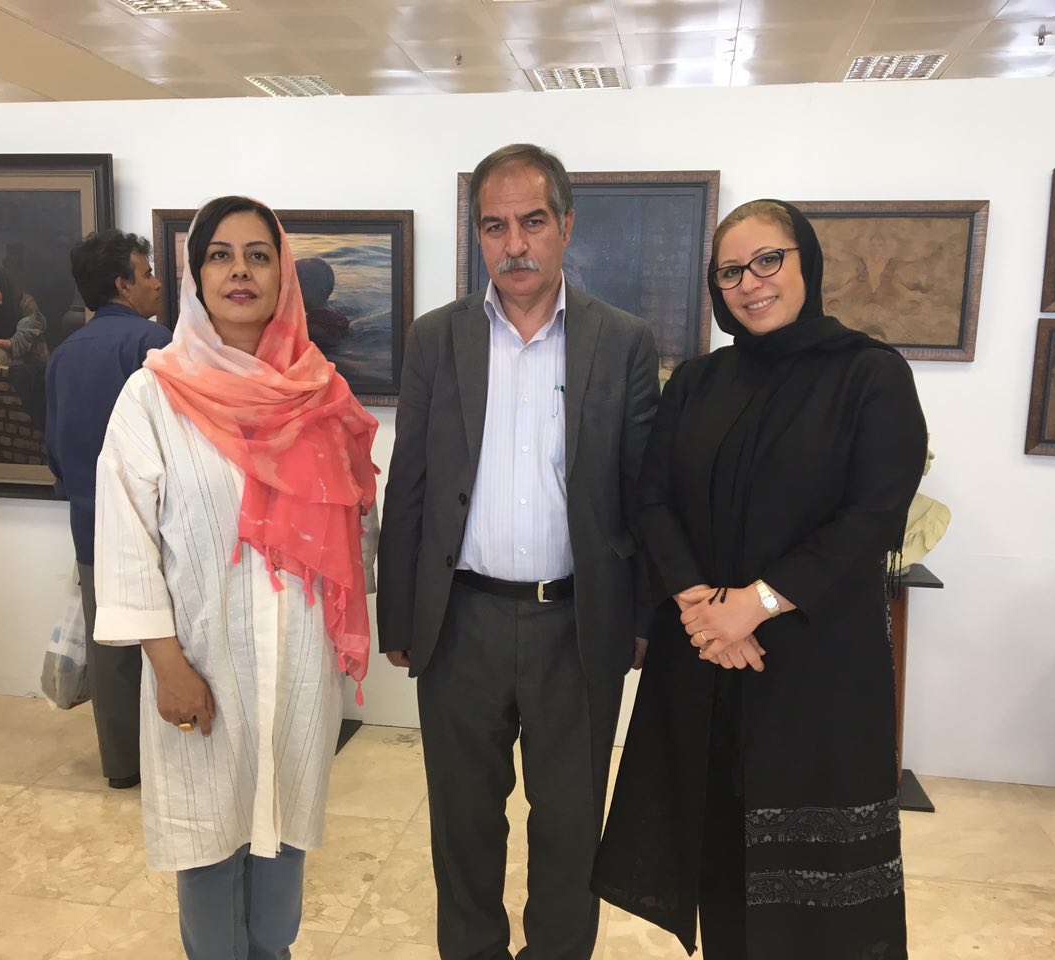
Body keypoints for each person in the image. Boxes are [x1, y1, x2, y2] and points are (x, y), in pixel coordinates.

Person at [592, 200, 928, 960]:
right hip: (706, 657)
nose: (751, 283)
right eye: (730, 271)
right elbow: (653, 499)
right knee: (719, 854)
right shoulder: (697, 382)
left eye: (768, 260)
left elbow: (873, 514)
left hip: (815, 664)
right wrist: (703, 608)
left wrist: (755, 605)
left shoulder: (869, 375)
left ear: (807, 260)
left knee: (817, 891)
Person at [377, 143, 660, 960]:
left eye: (532, 222)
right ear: (477, 236)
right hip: (461, 621)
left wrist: (641, 617)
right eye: (495, 227)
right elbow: (411, 481)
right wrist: (399, 613)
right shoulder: (437, 338)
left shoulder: (622, 341)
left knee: (570, 830)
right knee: (463, 825)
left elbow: (644, 493)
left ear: (566, 226)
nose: (515, 244)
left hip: (577, 624)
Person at [92, 196, 379, 960]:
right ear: (196, 275)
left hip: (299, 661)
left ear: (283, 274)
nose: (240, 271)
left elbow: (357, 527)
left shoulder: (322, 396)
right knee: (209, 841)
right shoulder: (155, 397)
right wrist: (167, 667)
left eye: (259, 255)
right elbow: (126, 541)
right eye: (220, 255)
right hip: (202, 662)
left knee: (284, 833)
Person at [45, 229, 170, 789]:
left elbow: (54, 449)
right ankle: (175, 761)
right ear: (123, 284)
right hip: (157, 523)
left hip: (90, 523)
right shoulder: (153, 343)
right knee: (169, 643)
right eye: (147, 273)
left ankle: (122, 767)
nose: (156, 284)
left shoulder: (64, 354)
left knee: (111, 649)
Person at [0, 267, 49, 364]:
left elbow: (18, 344)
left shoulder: (25, 303)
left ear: (4, 286)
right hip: (9, 358)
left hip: (31, 361)